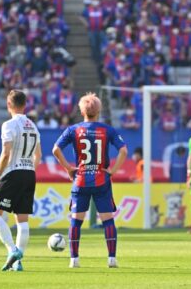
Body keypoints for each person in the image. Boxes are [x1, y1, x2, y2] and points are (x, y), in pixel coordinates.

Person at [52, 92, 127, 268]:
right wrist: (112, 171)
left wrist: (69, 168)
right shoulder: (107, 130)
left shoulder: (73, 130)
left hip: (80, 181)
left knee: (76, 221)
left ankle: (74, 260)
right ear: (99, 110)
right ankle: (111, 259)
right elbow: (123, 151)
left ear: (81, 110)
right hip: (102, 180)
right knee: (108, 220)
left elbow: (56, 149)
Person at [0, 90, 42, 271]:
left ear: (9, 105)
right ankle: (18, 263)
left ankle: (12, 251)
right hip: (29, 173)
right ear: (25, 105)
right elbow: (38, 155)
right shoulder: (33, 126)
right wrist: (30, 170)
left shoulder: (8, 125)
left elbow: (6, 152)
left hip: (13, 172)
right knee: (22, 219)